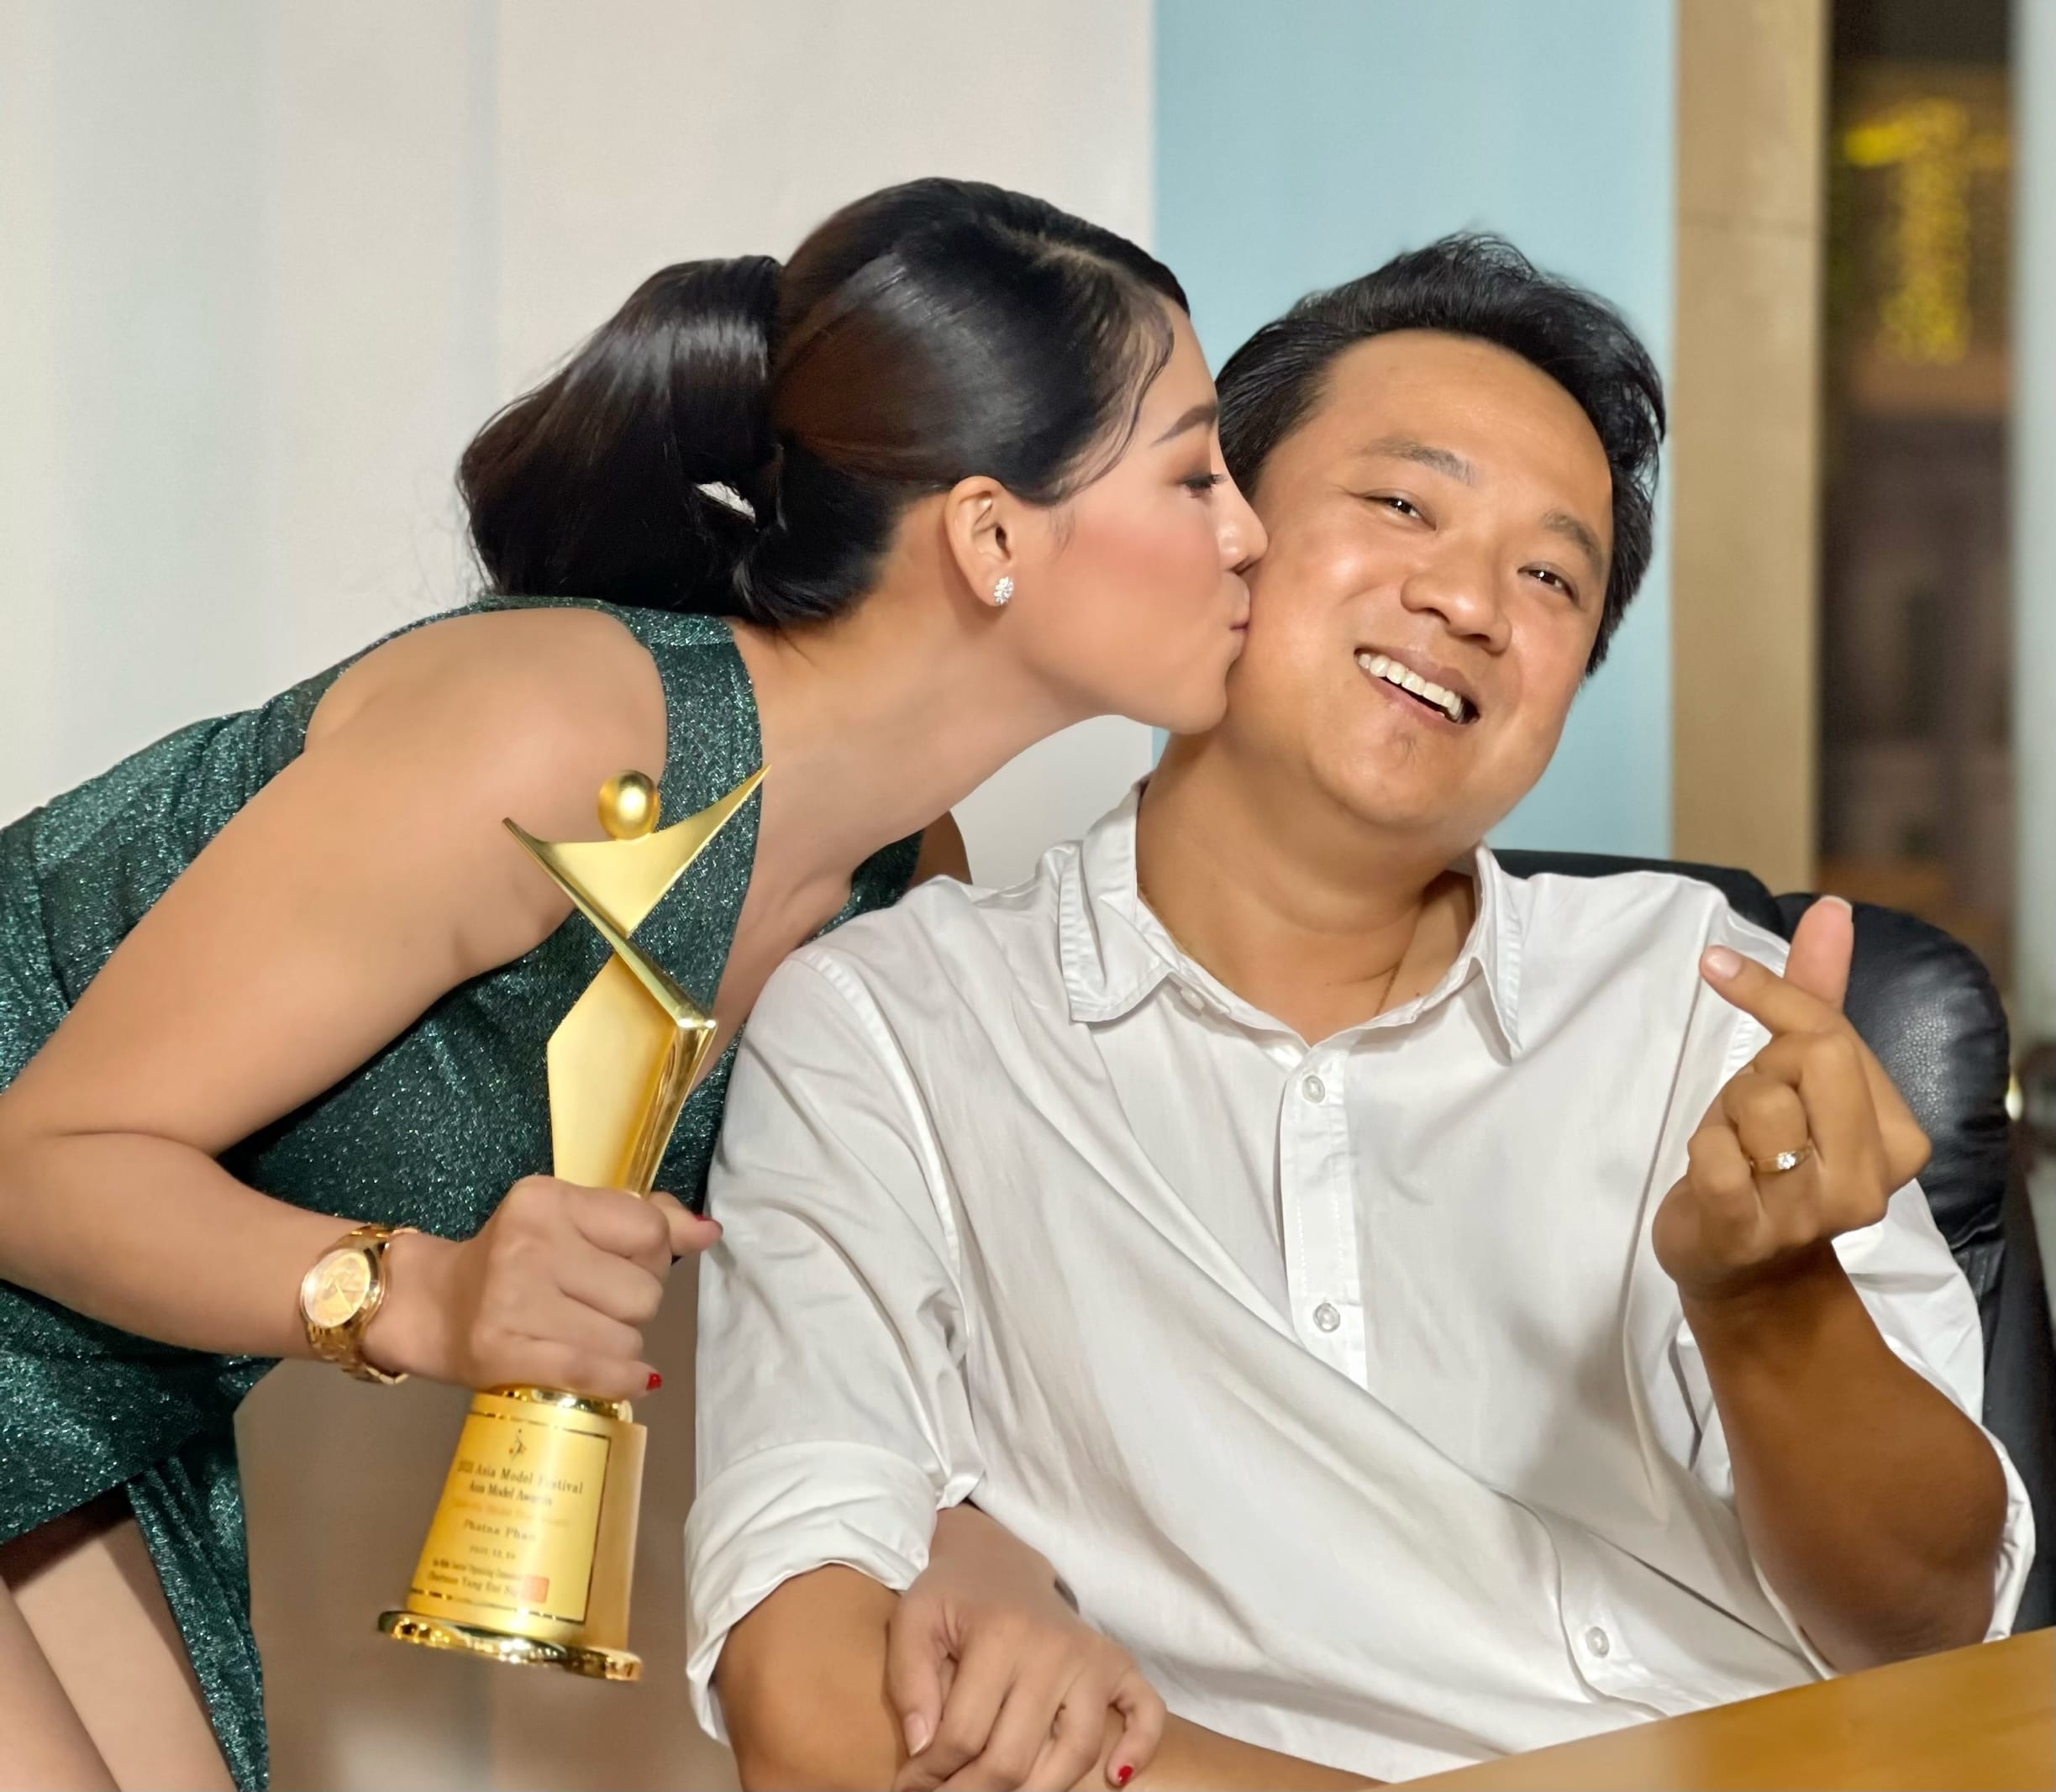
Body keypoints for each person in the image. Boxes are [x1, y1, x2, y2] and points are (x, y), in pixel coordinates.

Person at [687, 235, 2035, 1789]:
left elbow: (1932, 1627)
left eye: (1551, 576)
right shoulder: (897, 1030)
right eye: (1402, 504)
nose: (1468, 600)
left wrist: (1768, 1301)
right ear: (1221, 536)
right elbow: (814, 1714)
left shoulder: (1705, 991)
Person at [0, 177, 1265, 1792]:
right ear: (993, 535)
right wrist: (422, 1297)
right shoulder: (556, 733)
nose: (1251, 532)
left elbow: (871, 1330)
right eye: (1197, 473)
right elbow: (43, 1161)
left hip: (97, 1388)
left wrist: (983, 1548)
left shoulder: (897, 886)